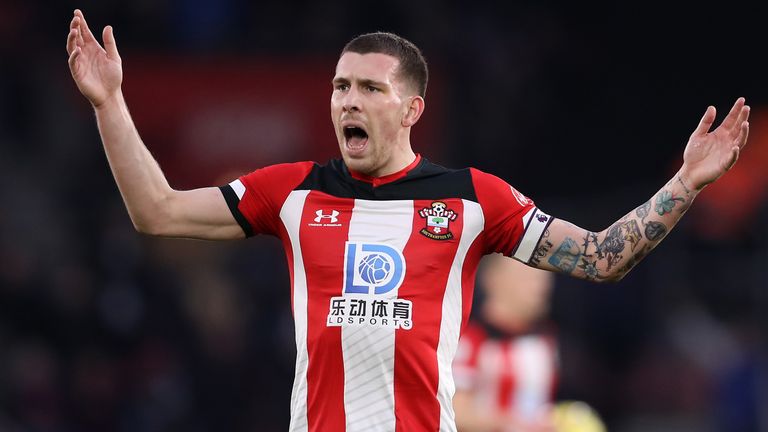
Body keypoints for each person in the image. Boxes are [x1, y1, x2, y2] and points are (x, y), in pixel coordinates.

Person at [66, 8, 751, 432]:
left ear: (412, 109)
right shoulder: (293, 190)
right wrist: (110, 105)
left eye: (370, 88)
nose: (348, 102)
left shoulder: (474, 198)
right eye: (340, 87)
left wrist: (686, 182)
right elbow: (156, 211)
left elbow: (604, 256)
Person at [453, 254, 559, 432]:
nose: (540, 287)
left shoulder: (545, 340)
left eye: (543, 279)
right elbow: (455, 412)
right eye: (527, 277)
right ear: (493, 279)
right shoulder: (468, 340)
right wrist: (512, 425)